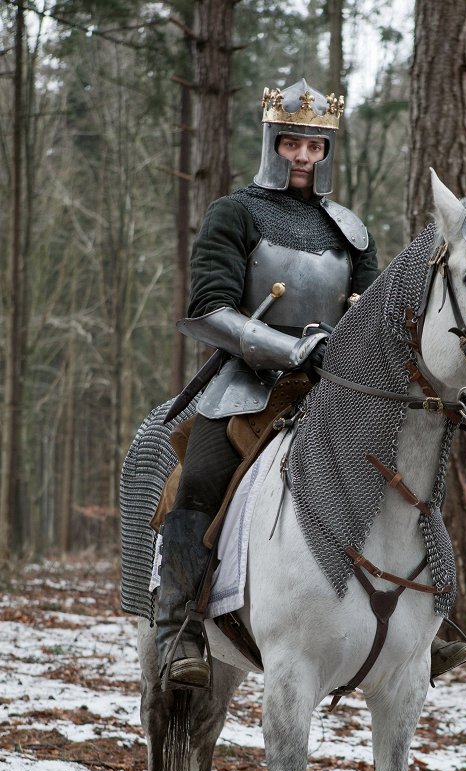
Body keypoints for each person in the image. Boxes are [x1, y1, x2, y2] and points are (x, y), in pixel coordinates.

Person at [156, 79, 380, 690]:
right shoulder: (235, 212)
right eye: (293, 144)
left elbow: (375, 316)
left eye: (315, 145)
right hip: (247, 383)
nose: (304, 157)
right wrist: (295, 347)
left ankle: (424, 623)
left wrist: (347, 350)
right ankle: (179, 630)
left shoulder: (350, 230)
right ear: (272, 144)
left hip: (335, 390)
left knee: (404, 472)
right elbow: (211, 307)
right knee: (199, 479)